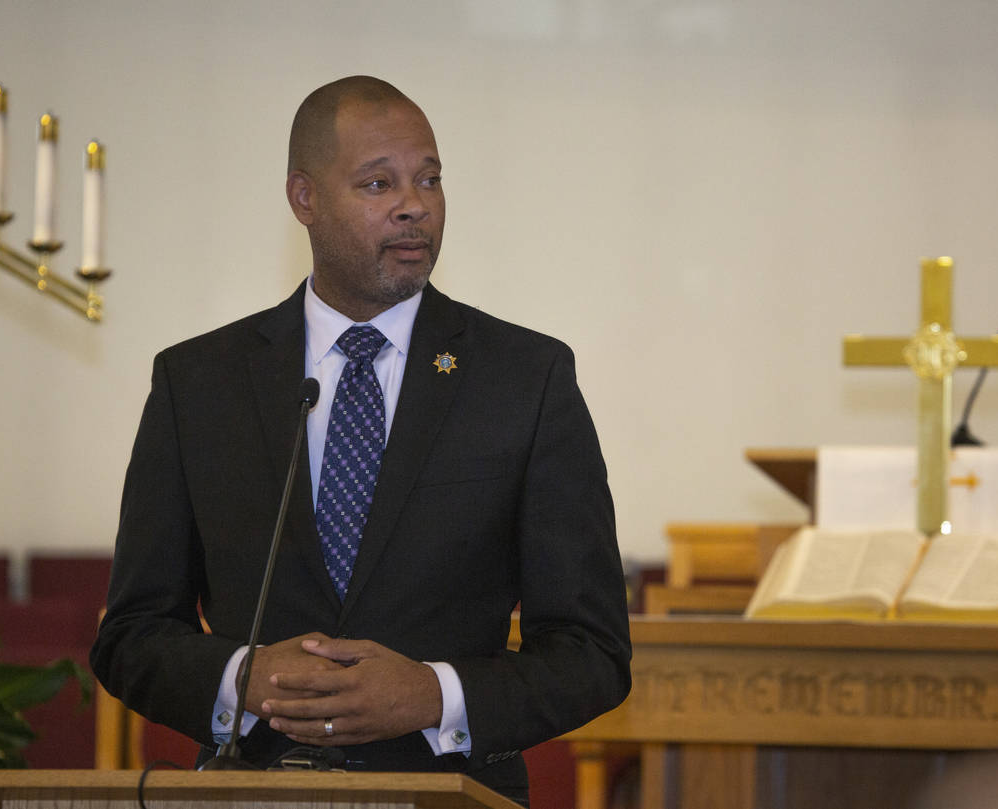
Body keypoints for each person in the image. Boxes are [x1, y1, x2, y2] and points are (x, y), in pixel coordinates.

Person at [90, 76, 631, 805]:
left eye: (430, 179)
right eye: (379, 183)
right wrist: (242, 680)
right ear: (304, 198)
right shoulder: (198, 383)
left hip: (450, 789)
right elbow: (130, 633)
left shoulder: (525, 378)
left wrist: (435, 695)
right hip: (254, 791)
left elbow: (590, 651)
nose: (415, 204)